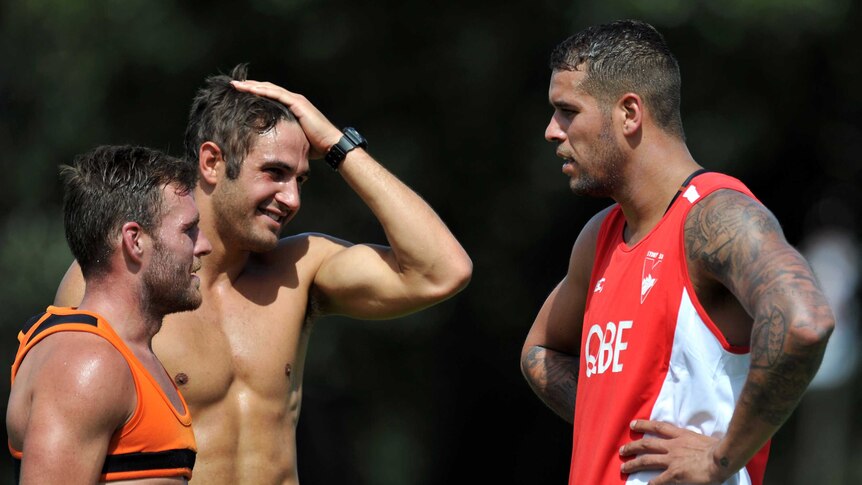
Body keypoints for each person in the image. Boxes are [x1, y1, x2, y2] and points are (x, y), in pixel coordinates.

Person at [55, 65, 473, 484]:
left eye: (300, 180)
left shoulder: (301, 270)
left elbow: (441, 271)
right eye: (274, 173)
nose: (291, 198)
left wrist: (337, 145)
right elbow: (64, 443)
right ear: (212, 162)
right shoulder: (124, 275)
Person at [520, 20, 834, 485]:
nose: (552, 131)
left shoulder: (714, 216)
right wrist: (618, 428)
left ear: (629, 113)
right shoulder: (599, 236)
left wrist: (721, 458)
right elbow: (539, 352)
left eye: (567, 111)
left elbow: (803, 322)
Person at [7, 145, 212, 483]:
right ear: (135, 241)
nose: (203, 244)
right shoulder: (87, 363)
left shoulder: (121, 352)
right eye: (188, 229)